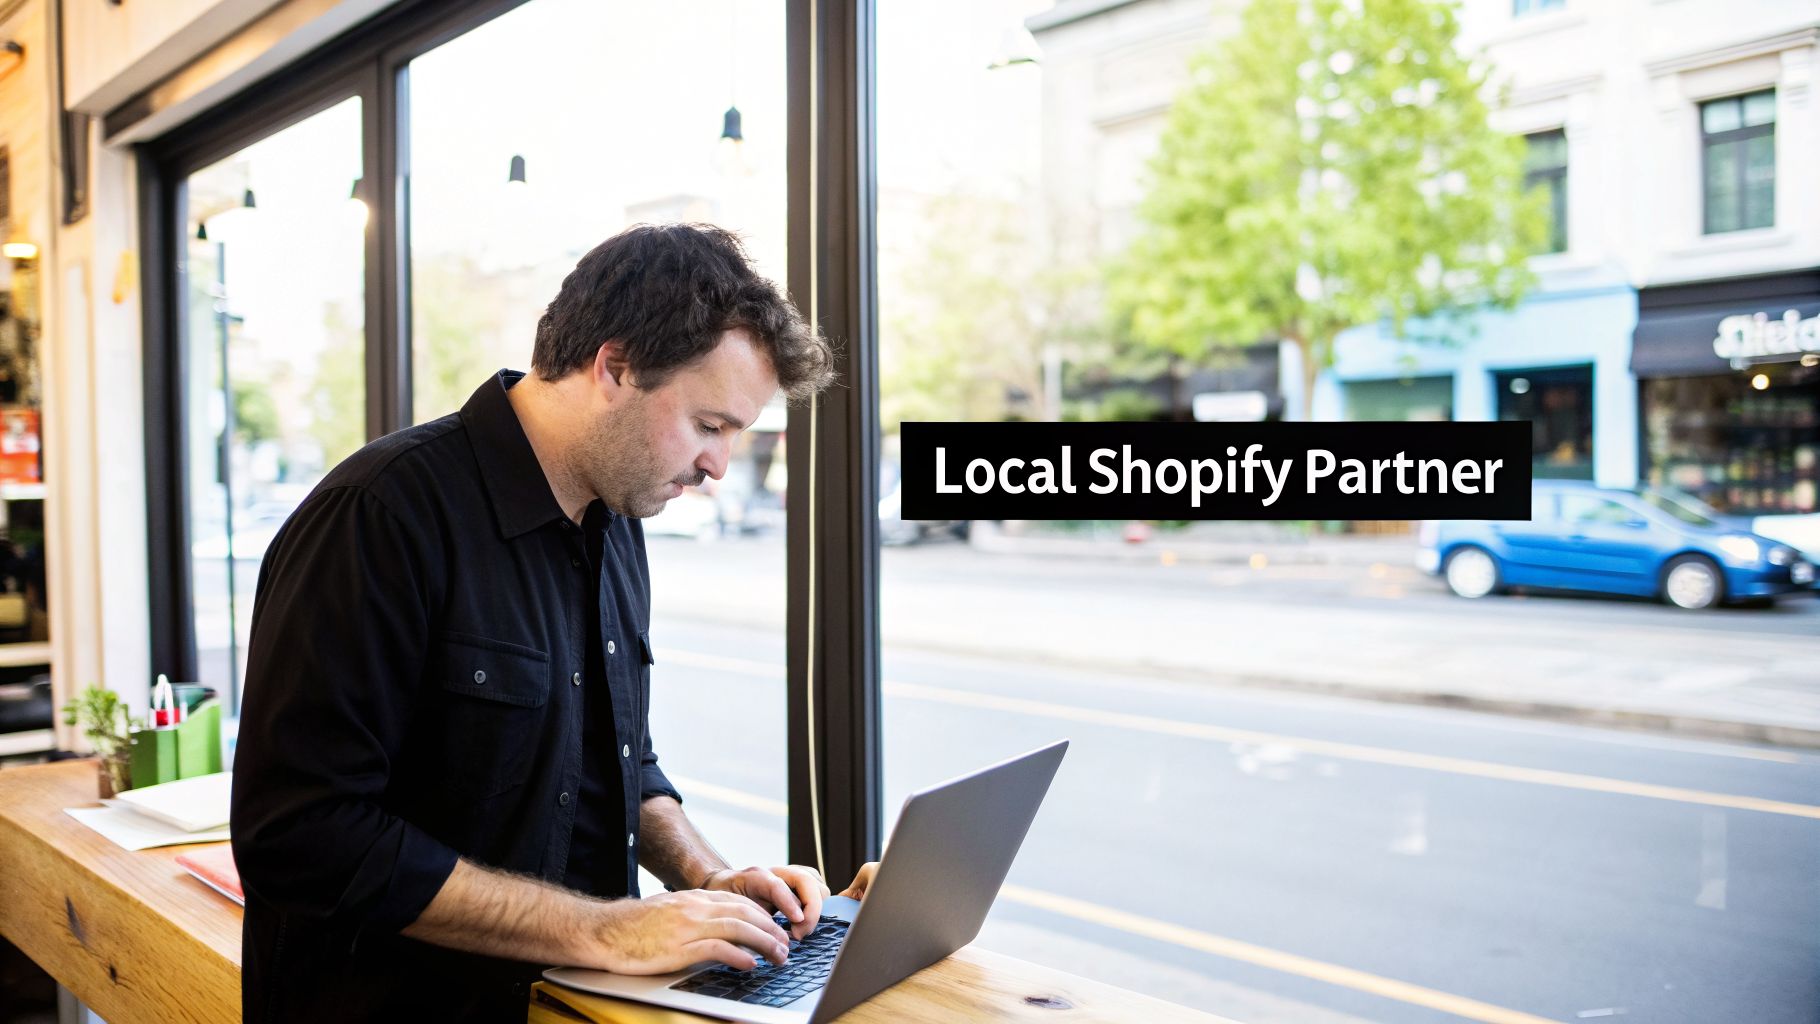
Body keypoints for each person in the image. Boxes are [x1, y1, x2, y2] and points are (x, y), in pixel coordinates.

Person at [231, 224, 873, 1022]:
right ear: (614, 368)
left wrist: (708, 879)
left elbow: (618, 761)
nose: (719, 467)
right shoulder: (379, 515)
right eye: (710, 426)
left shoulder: (617, 516)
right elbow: (300, 836)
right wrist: (604, 931)